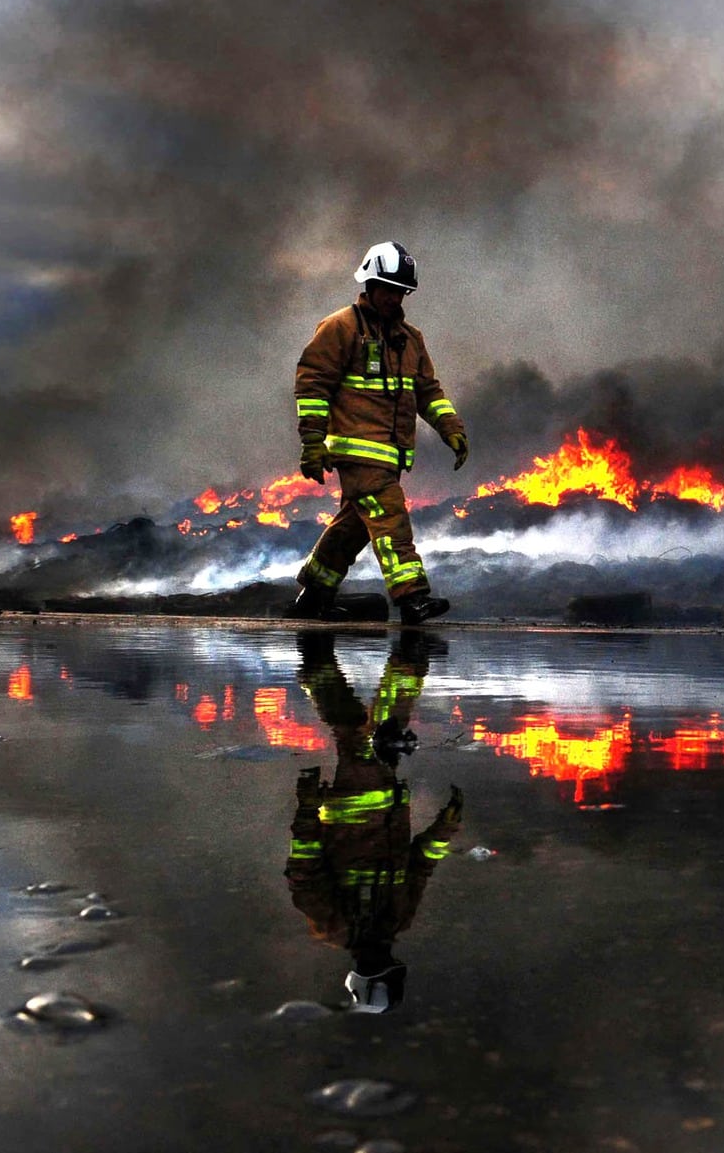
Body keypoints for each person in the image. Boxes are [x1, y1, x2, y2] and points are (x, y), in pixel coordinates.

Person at [288, 242, 468, 625]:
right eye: (386, 288)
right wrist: (313, 443)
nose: (393, 297)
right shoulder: (340, 328)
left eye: (400, 291)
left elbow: (428, 392)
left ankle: (314, 594)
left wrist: (450, 428)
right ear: (368, 285)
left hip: (389, 456)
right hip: (357, 455)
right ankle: (412, 599)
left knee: (353, 527)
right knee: (390, 518)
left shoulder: (410, 339)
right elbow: (312, 386)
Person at [284, 630, 462, 1014]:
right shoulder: (398, 921)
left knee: (372, 739)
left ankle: (408, 660)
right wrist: (445, 827)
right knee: (355, 732)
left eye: (386, 970)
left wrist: (307, 808)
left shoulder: (332, 925)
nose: (387, 959)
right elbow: (420, 867)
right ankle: (319, 667)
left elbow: (305, 867)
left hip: (354, 806)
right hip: (388, 804)